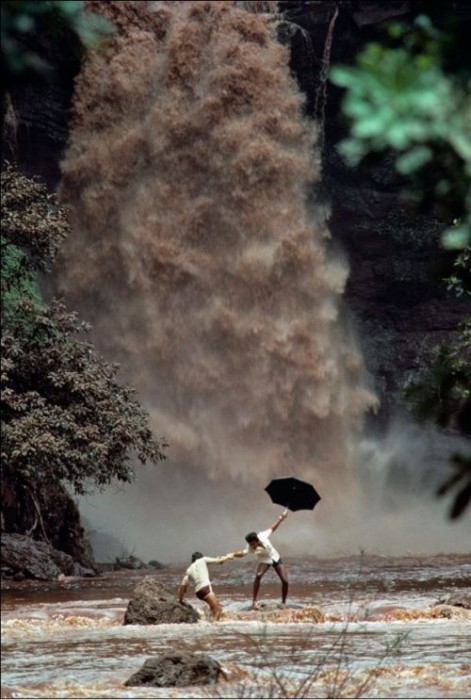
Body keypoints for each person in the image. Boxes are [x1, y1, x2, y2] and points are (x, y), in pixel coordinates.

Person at [230, 509, 289, 610]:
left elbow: (272, 528)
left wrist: (281, 517)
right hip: (265, 560)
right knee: (258, 576)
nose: (251, 546)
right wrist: (232, 554)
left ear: (257, 540)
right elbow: (243, 553)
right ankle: (254, 602)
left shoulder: (263, 535)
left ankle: (283, 602)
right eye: (250, 544)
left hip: (275, 557)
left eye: (253, 544)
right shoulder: (250, 546)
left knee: (285, 581)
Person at [178, 551, 234, 621]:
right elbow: (218, 561)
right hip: (206, 588)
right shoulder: (203, 559)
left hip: (198, 593)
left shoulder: (189, 569)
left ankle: (209, 619)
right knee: (218, 610)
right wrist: (229, 557)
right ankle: (215, 626)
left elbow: (183, 585)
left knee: (213, 606)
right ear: (200, 557)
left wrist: (180, 600)